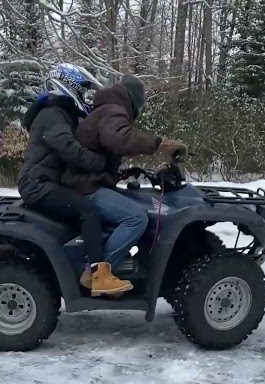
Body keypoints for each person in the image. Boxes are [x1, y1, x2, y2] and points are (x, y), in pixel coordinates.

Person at [17, 64, 132, 297]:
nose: (84, 95)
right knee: (88, 211)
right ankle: (98, 275)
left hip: (47, 182)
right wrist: (99, 162)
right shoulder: (52, 114)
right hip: (38, 185)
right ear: (67, 86)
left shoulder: (62, 114)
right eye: (81, 90)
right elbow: (69, 149)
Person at [62, 74, 186, 287]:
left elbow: (103, 148)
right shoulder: (113, 111)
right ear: (134, 101)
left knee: (132, 203)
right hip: (86, 187)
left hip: (86, 181)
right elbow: (119, 139)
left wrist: (121, 173)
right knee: (136, 217)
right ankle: (98, 274)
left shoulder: (106, 109)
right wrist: (160, 143)